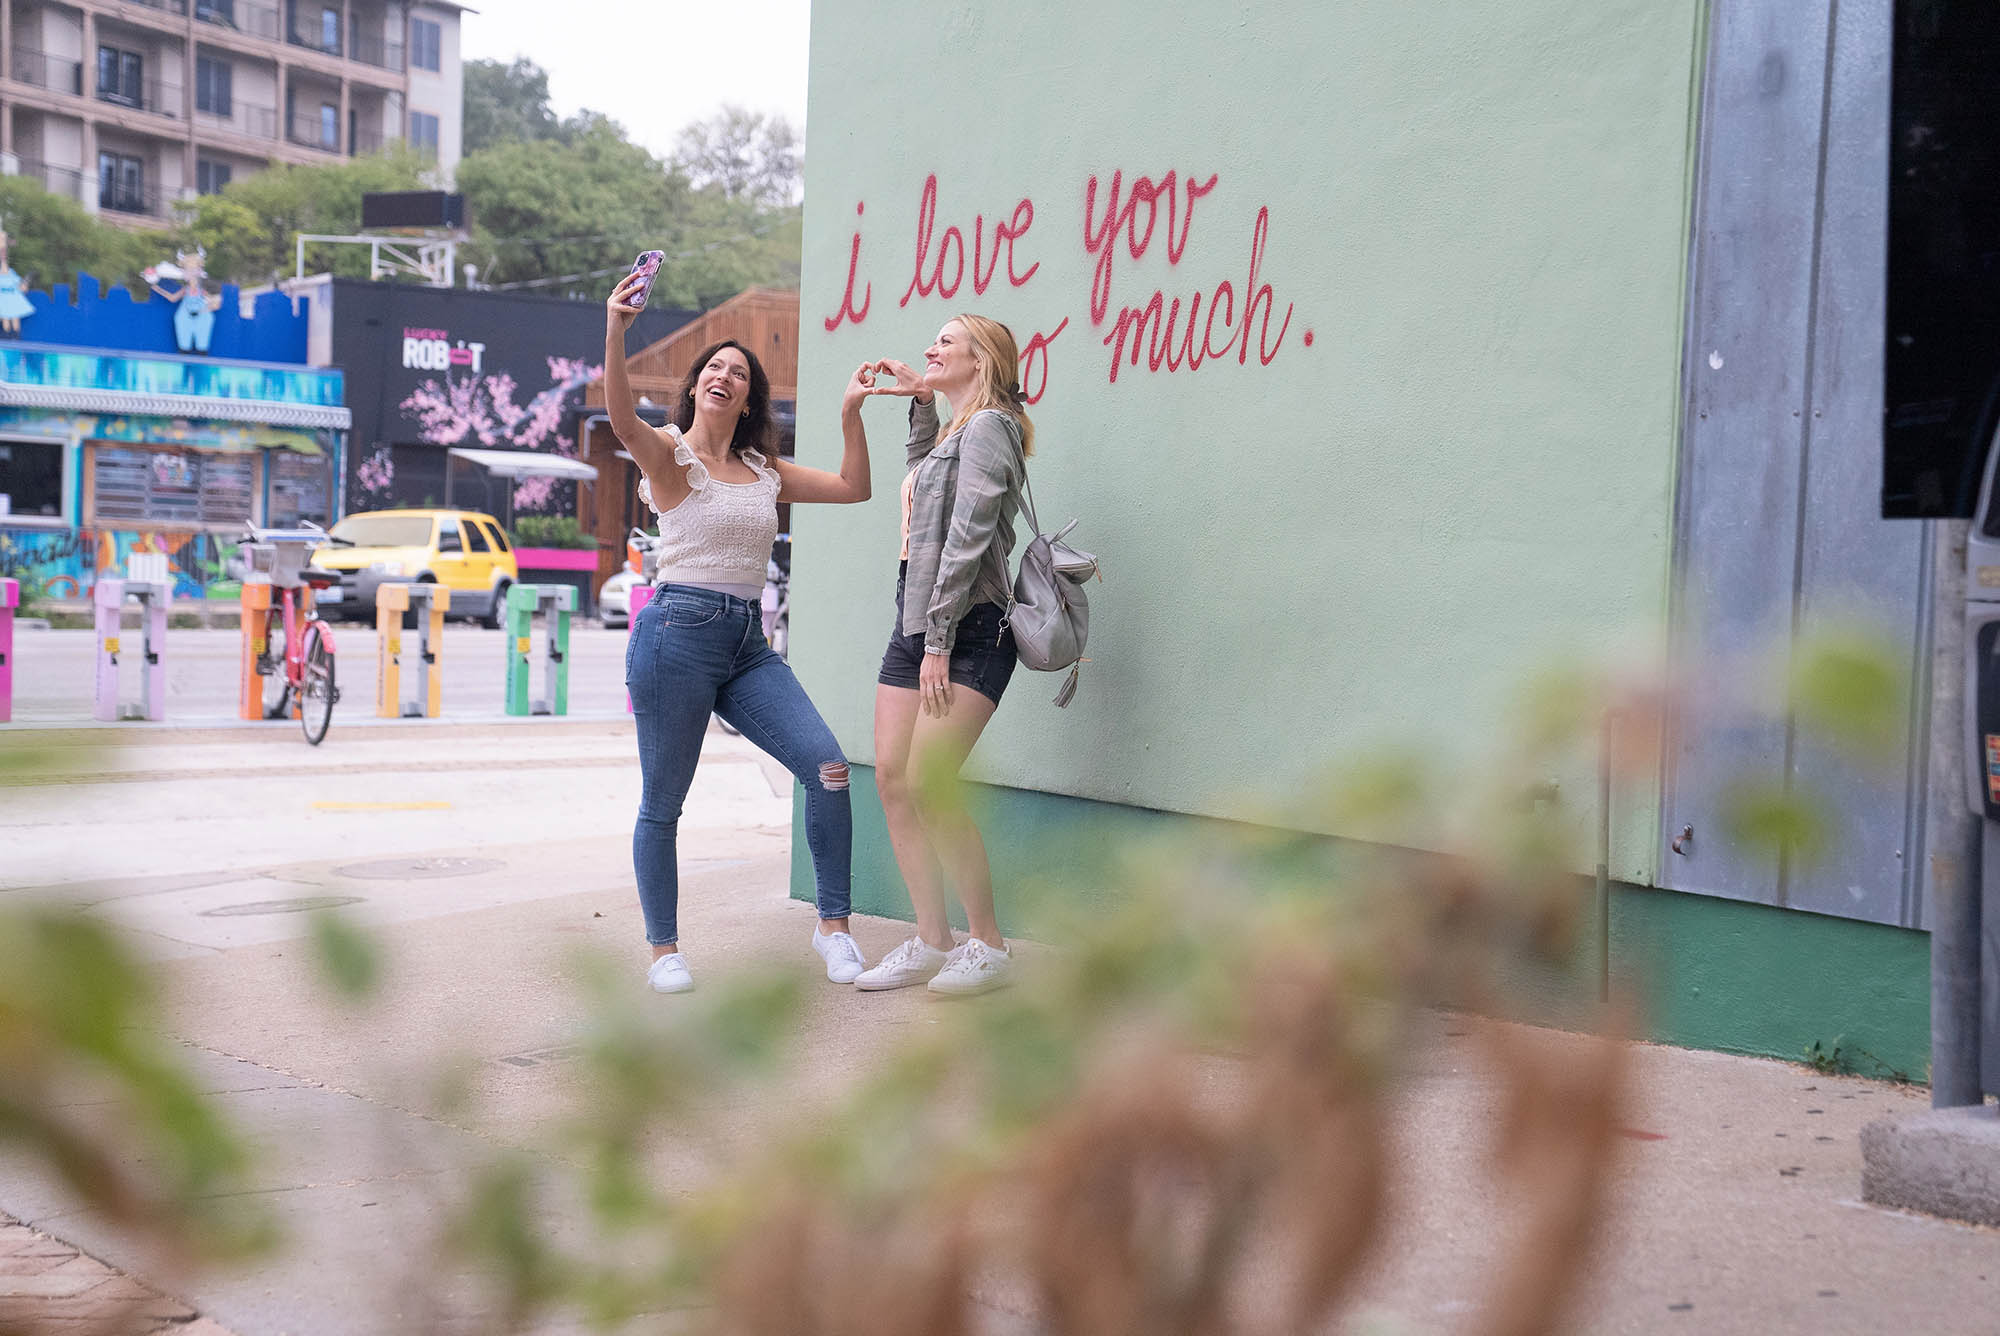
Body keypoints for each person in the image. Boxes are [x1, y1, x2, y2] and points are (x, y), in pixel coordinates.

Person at [605, 268, 877, 993]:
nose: (724, 375)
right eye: (713, 368)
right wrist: (616, 329)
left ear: (749, 397)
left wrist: (850, 411)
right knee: (664, 801)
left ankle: (833, 928)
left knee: (827, 767)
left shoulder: (762, 470)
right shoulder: (668, 453)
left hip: (746, 644)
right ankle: (664, 950)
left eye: (738, 371)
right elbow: (621, 418)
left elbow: (855, 488)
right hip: (675, 637)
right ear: (696, 387)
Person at [851, 315, 1034, 996]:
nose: (930, 348)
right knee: (894, 781)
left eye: (945, 342)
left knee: (931, 781)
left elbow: (968, 538)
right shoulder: (959, 428)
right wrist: (922, 406)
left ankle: (989, 945)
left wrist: (937, 640)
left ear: (980, 360)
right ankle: (932, 939)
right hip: (917, 617)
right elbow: (927, 493)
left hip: (969, 624)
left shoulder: (992, 428)